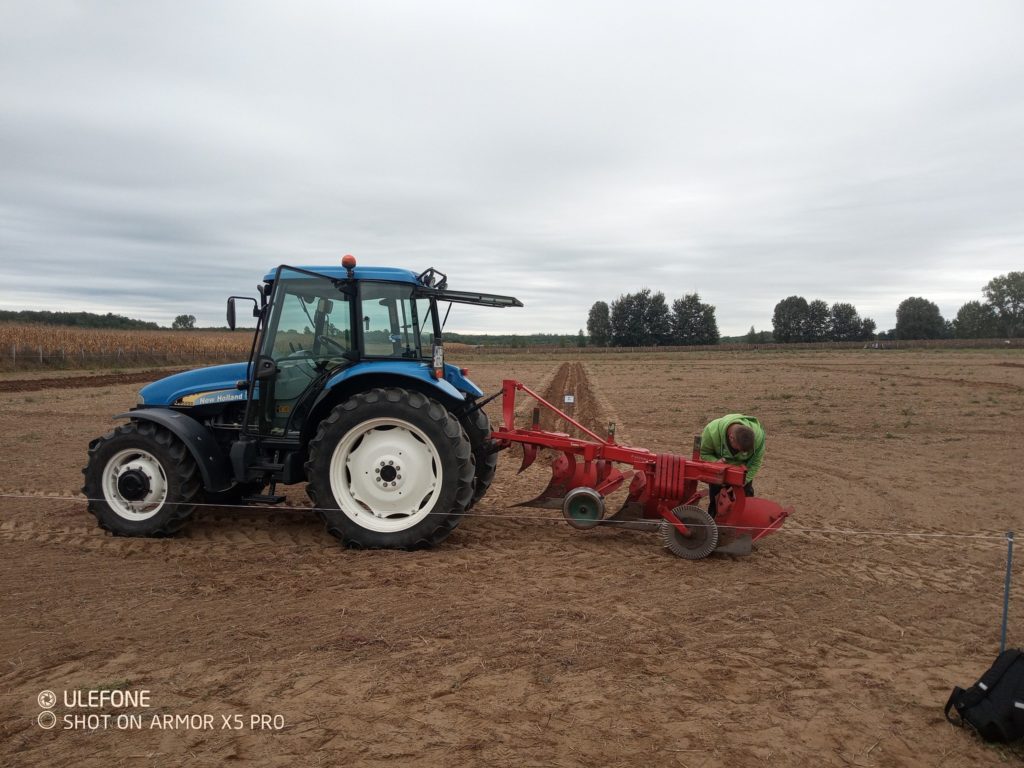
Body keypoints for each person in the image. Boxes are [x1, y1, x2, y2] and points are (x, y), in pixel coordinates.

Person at [699, 413, 765, 517]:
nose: (742, 453)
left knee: (746, 498)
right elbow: (704, 453)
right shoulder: (711, 432)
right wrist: (715, 462)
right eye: (739, 450)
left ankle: (745, 521)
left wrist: (744, 481)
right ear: (731, 438)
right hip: (719, 471)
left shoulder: (758, 437)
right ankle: (715, 523)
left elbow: (756, 462)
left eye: (746, 452)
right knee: (717, 498)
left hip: (742, 471)